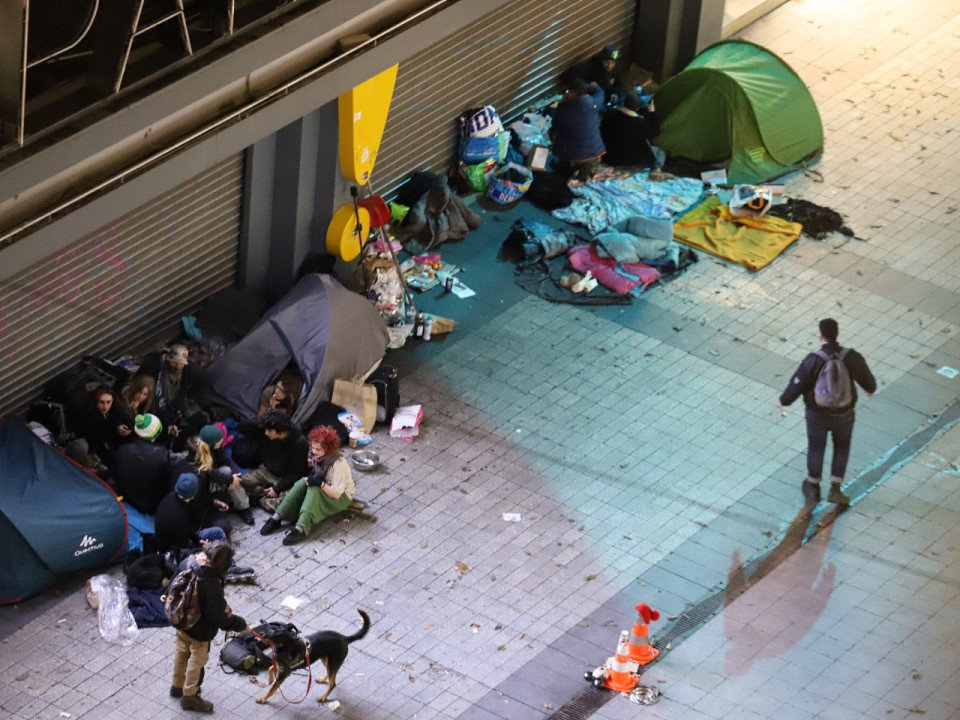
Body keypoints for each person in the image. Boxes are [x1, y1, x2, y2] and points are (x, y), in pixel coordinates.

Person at [779, 318, 876, 508]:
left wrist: (784, 400)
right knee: (842, 445)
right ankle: (836, 488)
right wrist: (869, 388)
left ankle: (813, 486)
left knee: (816, 446)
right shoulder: (851, 356)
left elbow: (798, 382)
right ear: (837, 334)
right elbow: (868, 381)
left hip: (817, 414)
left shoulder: (814, 359)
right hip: (844, 413)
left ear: (820, 335)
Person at [169, 542, 248, 713]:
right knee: (197, 662)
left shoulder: (189, 561)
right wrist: (239, 624)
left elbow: (172, 585)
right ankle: (190, 696)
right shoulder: (210, 582)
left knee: (181, 652)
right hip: (199, 630)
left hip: (181, 621)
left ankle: (177, 686)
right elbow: (219, 617)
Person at [260, 425, 355, 546]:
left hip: (341, 497)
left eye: (318, 449)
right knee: (302, 483)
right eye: (313, 448)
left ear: (328, 449)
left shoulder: (339, 465)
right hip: (325, 487)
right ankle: (277, 517)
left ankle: (301, 528)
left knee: (314, 489)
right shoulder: (318, 457)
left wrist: (320, 484)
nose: (314, 452)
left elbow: (336, 494)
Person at [235, 409, 310, 516]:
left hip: (284, 479)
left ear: (280, 430)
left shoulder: (300, 442)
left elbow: (296, 472)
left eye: (269, 430)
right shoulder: (264, 432)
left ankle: (261, 498)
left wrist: (277, 488)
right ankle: (263, 495)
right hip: (266, 470)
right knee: (239, 482)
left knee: (287, 507)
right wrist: (262, 421)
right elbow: (242, 426)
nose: (266, 433)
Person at [138, 345, 209, 449]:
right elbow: (150, 399)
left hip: (173, 405)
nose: (177, 366)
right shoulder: (155, 368)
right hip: (155, 406)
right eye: (174, 363)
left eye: (180, 364)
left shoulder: (185, 372)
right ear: (168, 360)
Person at [111, 413, 173, 514]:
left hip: (124, 500)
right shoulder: (162, 457)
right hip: (148, 507)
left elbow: (115, 474)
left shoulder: (122, 450)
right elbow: (164, 486)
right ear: (156, 434)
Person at [154, 473, 228, 556]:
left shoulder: (171, 498)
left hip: (183, 538)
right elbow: (185, 550)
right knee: (217, 539)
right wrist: (205, 548)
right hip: (175, 551)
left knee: (218, 532)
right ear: (192, 495)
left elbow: (188, 527)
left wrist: (198, 539)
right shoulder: (179, 517)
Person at [550, 78, 606, 182]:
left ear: (573, 93)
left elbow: (554, 130)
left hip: (574, 156)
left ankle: (566, 163)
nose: (565, 93)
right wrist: (586, 87)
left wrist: (562, 103)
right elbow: (600, 91)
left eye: (567, 91)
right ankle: (588, 166)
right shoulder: (593, 103)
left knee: (556, 136)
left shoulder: (563, 111)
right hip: (596, 152)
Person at [600, 91, 664, 169]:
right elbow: (655, 132)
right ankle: (656, 169)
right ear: (637, 108)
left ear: (623, 103)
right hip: (636, 160)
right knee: (660, 152)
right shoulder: (640, 123)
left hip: (611, 158)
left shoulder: (609, 115)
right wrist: (652, 113)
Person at [78, 385, 131, 466]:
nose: (105, 406)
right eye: (102, 402)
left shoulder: (116, 411)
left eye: (108, 402)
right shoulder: (89, 415)